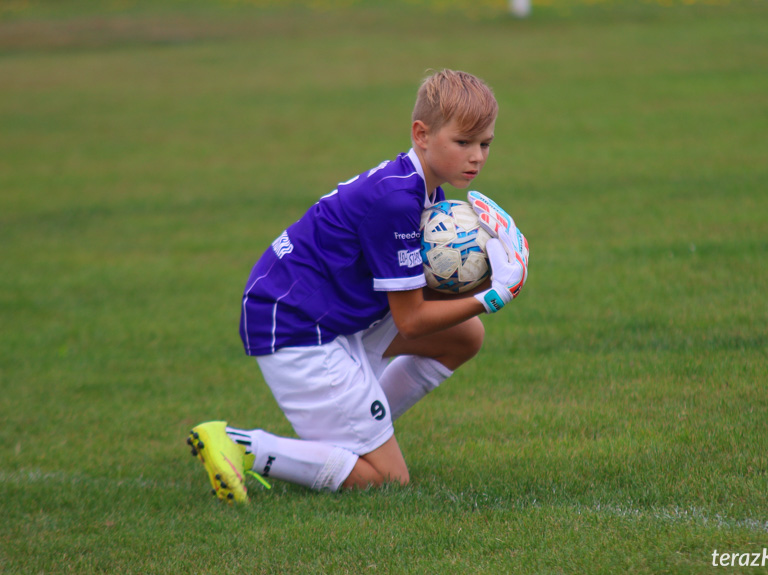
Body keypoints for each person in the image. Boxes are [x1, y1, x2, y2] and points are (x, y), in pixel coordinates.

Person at [186, 69, 529, 503]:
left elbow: (418, 294)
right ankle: (245, 446)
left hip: (327, 314)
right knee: (388, 481)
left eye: (485, 144)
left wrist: (491, 269)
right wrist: (492, 295)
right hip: (294, 325)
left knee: (464, 337)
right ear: (421, 134)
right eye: (463, 143)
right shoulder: (396, 201)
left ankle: (357, 425)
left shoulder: (424, 193)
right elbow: (413, 318)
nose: (476, 156)